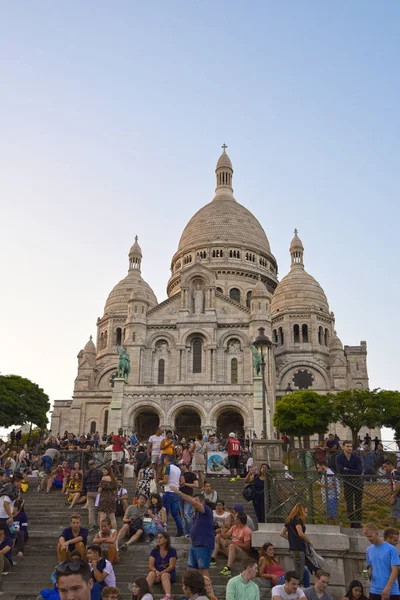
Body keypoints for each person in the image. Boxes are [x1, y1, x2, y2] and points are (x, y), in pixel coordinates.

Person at [171, 484, 214, 575]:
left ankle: (207, 589)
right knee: (190, 571)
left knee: (203, 572)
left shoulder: (206, 510)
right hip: (195, 545)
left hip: (204, 545)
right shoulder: (196, 514)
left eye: (196, 500)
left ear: (202, 502)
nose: (193, 503)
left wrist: (179, 492)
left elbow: (193, 502)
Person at [363, 523, 400, 600]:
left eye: (370, 536)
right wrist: (365, 576)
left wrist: (387, 588)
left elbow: (395, 571)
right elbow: (370, 567)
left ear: (376, 533)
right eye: (367, 537)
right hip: (374, 591)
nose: (369, 539)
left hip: (391, 591)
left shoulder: (391, 549)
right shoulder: (369, 550)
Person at [280, 503, 312, 587]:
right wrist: (309, 541)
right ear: (301, 510)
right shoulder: (298, 520)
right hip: (298, 548)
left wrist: (291, 539)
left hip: (293, 548)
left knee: (298, 569)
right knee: (299, 573)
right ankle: (287, 586)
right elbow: (300, 534)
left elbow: (282, 533)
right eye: (306, 511)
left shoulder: (289, 520)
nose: (306, 513)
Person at [336, 441, 363, 528]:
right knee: (349, 502)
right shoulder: (339, 457)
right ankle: (352, 521)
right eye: (347, 446)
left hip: (357, 481)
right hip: (347, 482)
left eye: (351, 446)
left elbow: (359, 471)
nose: (349, 448)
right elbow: (340, 470)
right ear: (343, 447)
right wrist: (351, 470)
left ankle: (358, 522)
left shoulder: (357, 457)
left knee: (358, 502)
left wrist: (347, 469)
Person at [218, 512, 252, 576]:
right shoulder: (234, 527)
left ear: (238, 520)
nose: (234, 519)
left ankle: (228, 568)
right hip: (231, 549)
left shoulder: (247, 530)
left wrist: (233, 543)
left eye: (235, 518)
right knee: (218, 537)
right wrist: (222, 529)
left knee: (232, 546)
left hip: (242, 553)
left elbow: (247, 546)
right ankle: (212, 559)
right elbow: (225, 536)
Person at [146, 532, 177, 600]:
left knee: (164, 575)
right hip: (157, 573)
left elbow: (171, 566)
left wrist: (161, 573)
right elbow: (151, 565)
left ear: (166, 539)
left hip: (168, 573)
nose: (158, 539)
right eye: (158, 537)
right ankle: (144, 594)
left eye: (161, 537)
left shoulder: (172, 551)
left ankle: (168, 596)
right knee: (151, 573)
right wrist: (156, 572)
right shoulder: (154, 551)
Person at [162, 455, 183, 536]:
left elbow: (166, 480)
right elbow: (183, 481)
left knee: (165, 512)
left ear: (166, 459)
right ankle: (180, 531)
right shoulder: (178, 469)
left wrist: (161, 482)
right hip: (176, 492)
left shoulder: (167, 468)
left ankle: (164, 531)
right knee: (175, 513)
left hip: (168, 491)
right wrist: (176, 484)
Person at [179, 463, 199, 536]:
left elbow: (196, 485)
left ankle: (191, 532)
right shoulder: (179, 475)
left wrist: (185, 484)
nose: (180, 467)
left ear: (185, 466)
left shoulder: (191, 475)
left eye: (181, 465)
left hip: (188, 495)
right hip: (180, 496)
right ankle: (186, 533)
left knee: (187, 514)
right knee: (183, 516)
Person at [84, 460, 103, 531]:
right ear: (94, 464)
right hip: (97, 492)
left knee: (91, 509)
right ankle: (99, 524)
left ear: (88, 465)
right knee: (98, 509)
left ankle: (92, 525)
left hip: (89, 492)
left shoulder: (87, 473)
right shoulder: (99, 472)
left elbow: (84, 482)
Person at [98, 465, 117, 530]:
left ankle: (101, 531)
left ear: (108, 471)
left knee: (102, 516)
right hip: (112, 498)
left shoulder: (104, 478)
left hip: (104, 498)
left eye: (104, 470)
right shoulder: (113, 479)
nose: (103, 471)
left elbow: (99, 490)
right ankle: (115, 532)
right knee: (112, 517)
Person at [382, 460, 400, 525]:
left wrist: (393, 496)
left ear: (390, 465)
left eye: (385, 467)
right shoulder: (392, 473)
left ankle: (392, 528)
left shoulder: (394, 473)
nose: (385, 469)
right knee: (394, 513)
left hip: (398, 496)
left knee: (394, 514)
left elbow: (398, 485)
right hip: (397, 495)